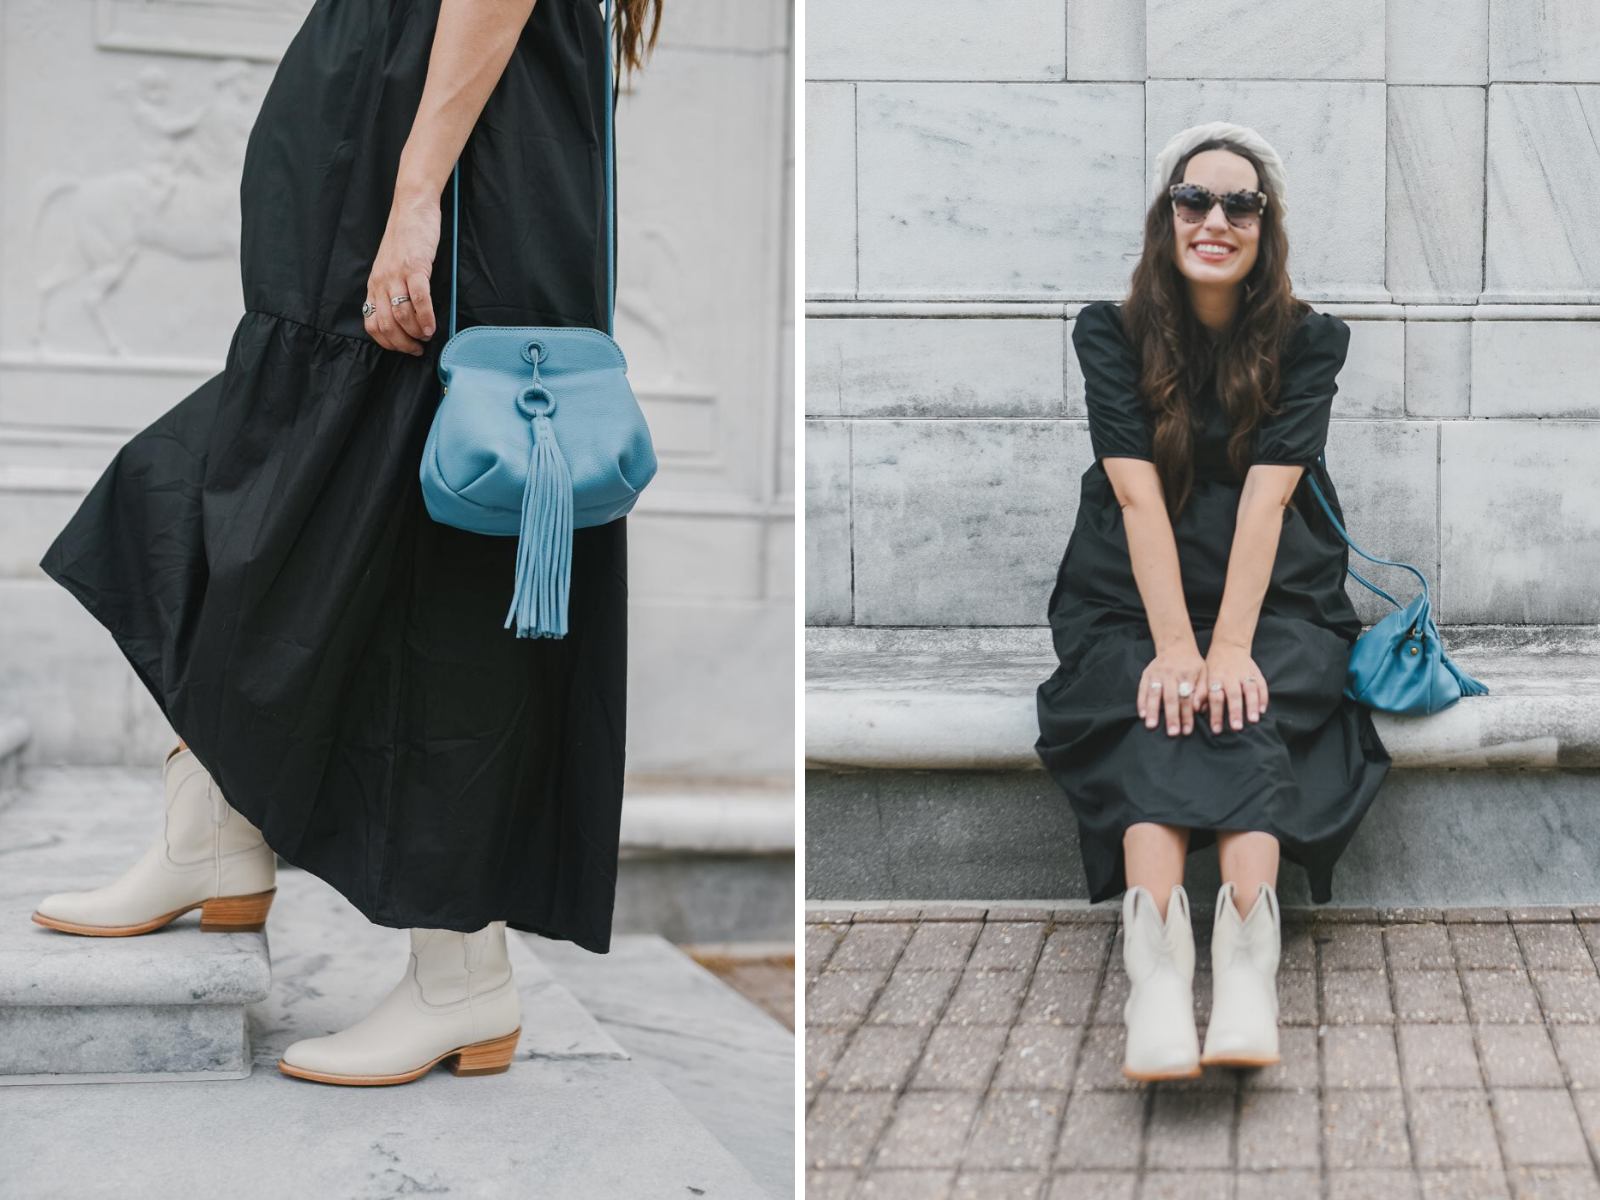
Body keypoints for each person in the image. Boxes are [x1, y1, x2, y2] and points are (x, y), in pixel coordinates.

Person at [30, 0, 663, 1088]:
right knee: (302, 495)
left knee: (437, 550)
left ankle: (461, 975)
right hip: (388, 136)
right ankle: (214, 821)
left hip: (447, 166)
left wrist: (416, 194)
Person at [1033, 121, 1390, 1081]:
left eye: (1241, 203)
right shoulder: (1108, 334)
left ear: (1265, 227)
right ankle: (1156, 976)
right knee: (1161, 695)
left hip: (1275, 590)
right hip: (1127, 591)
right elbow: (1138, 495)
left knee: (1240, 697)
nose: (1216, 219)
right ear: (1168, 215)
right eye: (1196, 199)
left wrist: (1223, 648)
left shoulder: (1310, 340)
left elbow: (1271, 496)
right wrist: (1176, 645)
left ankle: (1244, 975)